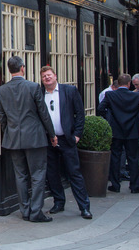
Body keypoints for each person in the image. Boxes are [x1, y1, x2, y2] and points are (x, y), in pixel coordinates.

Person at [0, 56, 57, 223]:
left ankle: (25, 210)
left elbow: (2, 117)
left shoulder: (2, 90)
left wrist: (9, 132)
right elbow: (43, 113)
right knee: (38, 174)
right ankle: (36, 211)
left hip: (14, 138)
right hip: (35, 137)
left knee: (21, 175)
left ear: (9, 70)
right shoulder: (33, 87)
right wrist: (52, 134)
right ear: (22, 68)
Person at [40, 66, 92, 220]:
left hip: (67, 139)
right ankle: (59, 202)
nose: (47, 78)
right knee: (52, 174)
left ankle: (84, 207)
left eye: (49, 75)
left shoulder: (69, 91)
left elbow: (80, 114)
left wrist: (77, 135)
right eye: (44, 76)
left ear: (55, 76)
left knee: (74, 173)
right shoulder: (39, 94)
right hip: (49, 141)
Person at [98, 74, 139, 193]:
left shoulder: (110, 95)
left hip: (116, 131)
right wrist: (137, 118)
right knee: (133, 158)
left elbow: (100, 108)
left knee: (115, 157)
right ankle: (135, 185)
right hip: (132, 131)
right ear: (129, 84)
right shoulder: (136, 96)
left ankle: (115, 185)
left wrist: (110, 118)